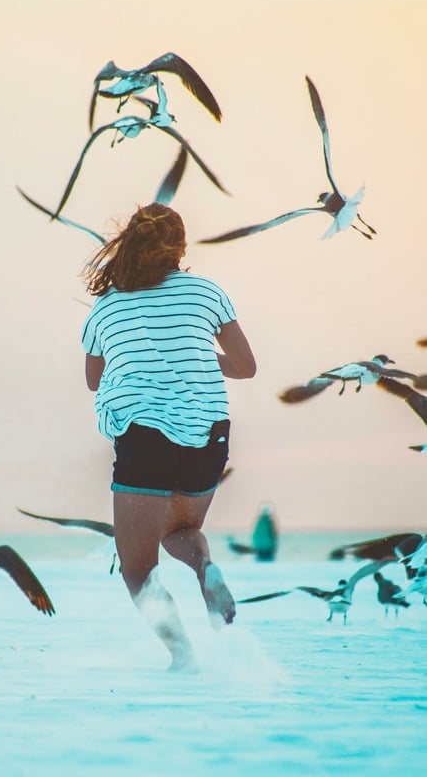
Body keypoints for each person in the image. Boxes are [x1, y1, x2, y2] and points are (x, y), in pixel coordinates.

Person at [81, 203, 256, 672]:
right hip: (208, 437)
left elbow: (94, 380)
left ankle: (183, 657)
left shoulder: (107, 306)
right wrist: (195, 360)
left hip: (144, 437)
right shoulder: (206, 293)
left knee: (139, 569)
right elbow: (245, 367)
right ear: (180, 248)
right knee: (181, 531)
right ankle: (205, 569)